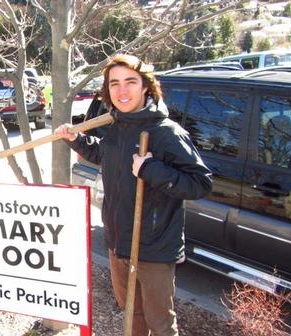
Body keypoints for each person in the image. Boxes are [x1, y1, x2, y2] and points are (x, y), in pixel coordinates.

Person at [54, 54, 212, 336]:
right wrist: (76, 140)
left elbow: (199, 183)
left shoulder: (166, 133)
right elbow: (105, 154)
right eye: (114, 83)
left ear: (146, 87)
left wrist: (151, 169)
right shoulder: (118, 127)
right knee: (131, 314)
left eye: (130, 82)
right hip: (118, 245)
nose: (122, 90)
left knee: (160, 323)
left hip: (153, 248)